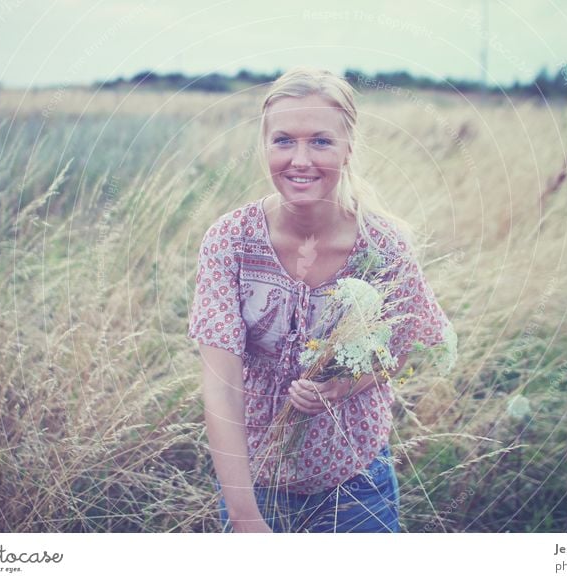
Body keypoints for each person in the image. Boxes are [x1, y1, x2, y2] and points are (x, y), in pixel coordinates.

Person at [187, 66, 453, 533]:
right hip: (255, 479)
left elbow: (402, 347)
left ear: (350, 149)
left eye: (322, 142)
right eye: (284, 140)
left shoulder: (383, 247)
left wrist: (341, 388)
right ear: (264, 147)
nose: (301, 159)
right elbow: (221, 386)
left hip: (355, 482)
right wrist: (246, 518)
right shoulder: (230, 241)